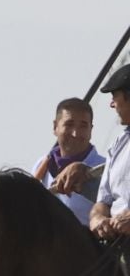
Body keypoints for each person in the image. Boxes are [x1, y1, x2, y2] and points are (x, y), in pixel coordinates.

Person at [37, 96, 105, 224]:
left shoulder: (106, 169)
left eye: (83, 126)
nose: (75, 133)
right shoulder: (41, 166)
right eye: (69, 124)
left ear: (91, 130)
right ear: (55, 127)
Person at [92, 66, 130, 239]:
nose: (112, 104)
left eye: (115, 96)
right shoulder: (118, 144)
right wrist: (97, 218)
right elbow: (103, 201)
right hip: (117, 242)